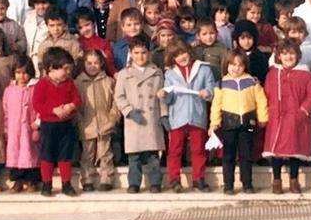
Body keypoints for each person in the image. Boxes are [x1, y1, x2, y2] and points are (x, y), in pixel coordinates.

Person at [158, 40, 217, 193]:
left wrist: (208, 93)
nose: (182, 57)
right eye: (177, 55)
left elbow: (212, 87)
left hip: (197, 115)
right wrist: (164, 95)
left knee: (198, 150)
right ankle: (174, 179)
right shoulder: (170, 73)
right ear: (172, 58)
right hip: (177, 117)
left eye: (183, 53)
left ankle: (198, 178)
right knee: (175, 150)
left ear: (189, 52)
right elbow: (170, 97)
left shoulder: (203, 69)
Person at [209, 50, 268, 195]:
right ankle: (228, 185)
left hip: (247, 125)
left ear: (245, 66)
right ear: (226, 65)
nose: (236, 68)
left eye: (240, 65)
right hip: (229, 124)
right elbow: (216, 104)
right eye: (233, 64)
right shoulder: (221, 84)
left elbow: (261, 100)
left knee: (246, 154)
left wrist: (262, 117)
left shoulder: (252, 82)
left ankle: (247, 184)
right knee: (228, 155)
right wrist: (214, 123)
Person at [263, 40, 311, 194]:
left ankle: (294, 179)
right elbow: (266, 94)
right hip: (277, 117)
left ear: (298, 55)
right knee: (276, 151)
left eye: (292, 53)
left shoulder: (305, 74)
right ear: (279, 56)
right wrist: (267, 111)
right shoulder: (273, 74)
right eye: (285, 54)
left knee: (295, 149)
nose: (288, 57)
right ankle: (277, 179)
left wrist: (303, 111)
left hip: (296, 117)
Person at [114, 35, 167, 193]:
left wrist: (164, 115)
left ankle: (155, 182)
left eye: (143, 52)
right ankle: (134, 183)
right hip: (134, 119)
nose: (140, 56)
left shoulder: (156, 72)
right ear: (131, 53)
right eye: (136, 53)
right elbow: (119, 96)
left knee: (153, 154)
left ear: (149, 53)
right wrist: (129, 111)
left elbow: (161, 96)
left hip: (152, 118)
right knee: (134, 155)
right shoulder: (124, 74)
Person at [33, 47, 82, 196]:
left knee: (65, 155)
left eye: (69, 69)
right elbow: (37, 104)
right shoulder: (41, 84)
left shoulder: (69, 84)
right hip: (49, 125)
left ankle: (66, 184)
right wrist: (53, 110)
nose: (68, 73)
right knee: (47, 155)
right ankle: (46, 184)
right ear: (51, 69)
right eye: (65, 69)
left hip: (65, 125)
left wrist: (71, 106)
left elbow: (77, 99)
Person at [74, 50, 120, 192]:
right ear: (84, 64)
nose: (92, 66)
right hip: (86, 123)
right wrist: (79, 122)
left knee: (105, 152)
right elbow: (75, 105)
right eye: (89, 63)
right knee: (87, 154)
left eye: (96, 63)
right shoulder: (78, 83)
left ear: (101, 64)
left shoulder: (109, 81)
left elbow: (116, 103)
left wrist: (112, 119)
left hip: (105, 123)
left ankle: (107, 178)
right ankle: (87, 179)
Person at [2, 55, 40, 193]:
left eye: (25, 73)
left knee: (30, 153)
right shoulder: (9, 90)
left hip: (30, 127)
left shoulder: (35, 88)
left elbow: (40, 107)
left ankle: (31, 181)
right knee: (15, 153)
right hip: (14, 129)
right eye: (18, 73)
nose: (22, 76)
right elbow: (5, 110)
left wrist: (38, 122)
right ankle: (17, 181)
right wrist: (6, 129)